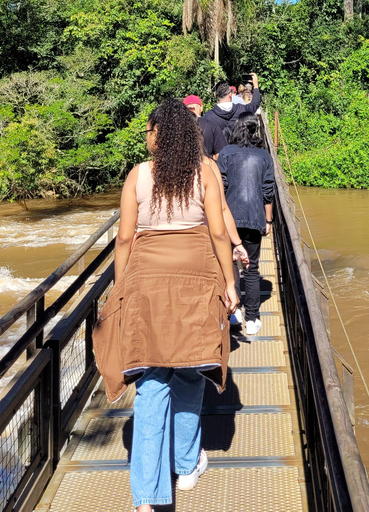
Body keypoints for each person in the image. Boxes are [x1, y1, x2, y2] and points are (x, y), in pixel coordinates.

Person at [111, 98, 239, 511]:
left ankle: (145, 499)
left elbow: (125, 239)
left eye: (148, 131)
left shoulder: (138, 176)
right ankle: (185, 467)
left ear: (156, 134)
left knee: (151, 385)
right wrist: (230, 283)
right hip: (197, 279)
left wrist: (119, 289)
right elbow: (218, 231)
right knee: (189, 374)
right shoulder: (205, 171)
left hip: (147, 283)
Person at [217, 112, 275, 336]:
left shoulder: (226, 153)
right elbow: (267, 191)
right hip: (254, 218)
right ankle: (252, 319)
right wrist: (268, 220)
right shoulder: (263, 157)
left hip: (228, 218)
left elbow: (220, 189)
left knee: (229, 264)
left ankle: (233, 312)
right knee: (251, 269)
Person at [183, 94, 250, 272]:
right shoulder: (210, 126)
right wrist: (237, 243)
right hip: (209, 183)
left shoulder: (156, 168)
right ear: (200, 107)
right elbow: (222, 210)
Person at [203, 73, 262, 141]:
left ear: (215, 96)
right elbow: (255, 104)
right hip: (239, 150)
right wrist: (256, 86)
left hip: (219, 151)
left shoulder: (208, 117)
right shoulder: (241, 109)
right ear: (230, 94)